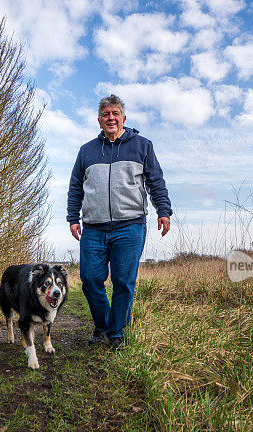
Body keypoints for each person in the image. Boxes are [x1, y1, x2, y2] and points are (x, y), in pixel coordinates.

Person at [67, 94, 173, 350]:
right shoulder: (87, 151)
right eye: (106, 114)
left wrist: (163, 211)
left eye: (115, 114)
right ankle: (103, 325)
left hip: (130, 225)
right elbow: (75, 187)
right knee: (91, 279)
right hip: (93, 227)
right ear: (100, 120)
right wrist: (73, 217)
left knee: (124, 282)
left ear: (123, 118)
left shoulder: (142, 146)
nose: (111, 118)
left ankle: (116, 333)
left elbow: (155, 181)